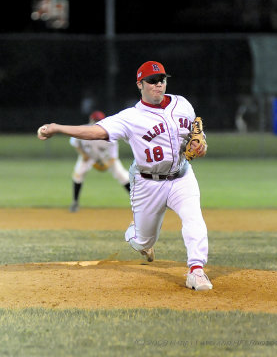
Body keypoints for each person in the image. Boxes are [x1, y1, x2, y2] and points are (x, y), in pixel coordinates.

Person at [37, 61, 213, 291]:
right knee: (144, 240)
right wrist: (58, 128)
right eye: (152, 81)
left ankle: (196, 271)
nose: (158, 85)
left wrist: (202, 145)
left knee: (194, 219)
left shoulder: (183, 104)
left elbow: (196, 134)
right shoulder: (131, 117)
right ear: (140, 84)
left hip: (182, 177)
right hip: (147, 183)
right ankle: (136, 234)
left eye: (162, 80)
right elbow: (95, 132)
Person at [69, 110, 131, 212]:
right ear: (91, 120)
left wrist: (106, 165)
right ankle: (75, 202)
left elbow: (113, 157)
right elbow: (74, 142)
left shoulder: (110, 135)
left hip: (106, 158)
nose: (96, 122)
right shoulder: (83, 130)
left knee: (122, 175)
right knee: (78, 174)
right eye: (95, 120)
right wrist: (83, 154)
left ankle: (137, 202)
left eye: (99, 120)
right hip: (88, 156)